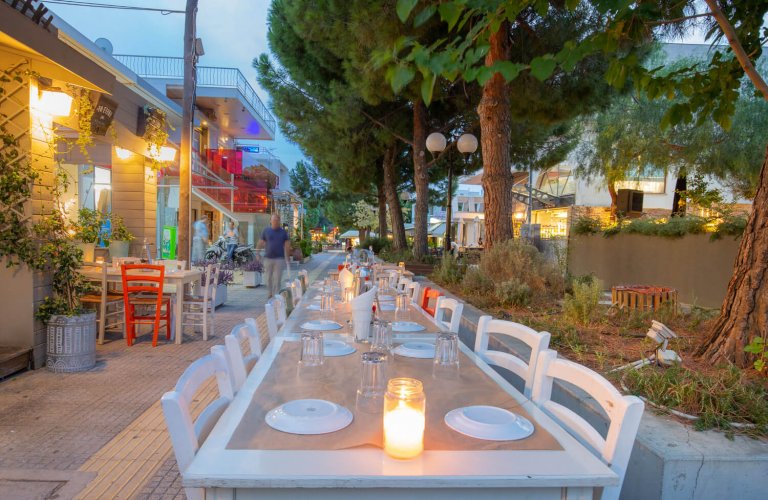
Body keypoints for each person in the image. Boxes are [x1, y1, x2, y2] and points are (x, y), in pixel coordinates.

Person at [256, 213, 291, 297]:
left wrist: (287, 257)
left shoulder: (283, 232)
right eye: (273, 220)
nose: (275, 221)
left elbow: (287, 245)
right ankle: (270, 292)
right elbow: (261, 242)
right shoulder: (266, 231)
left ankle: (276, 294)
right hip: (268, 258)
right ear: (270, 221)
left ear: (279, 221)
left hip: (280, 258)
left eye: (276, 220)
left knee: (278, 278)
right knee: (268, 277)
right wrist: (257, 253)